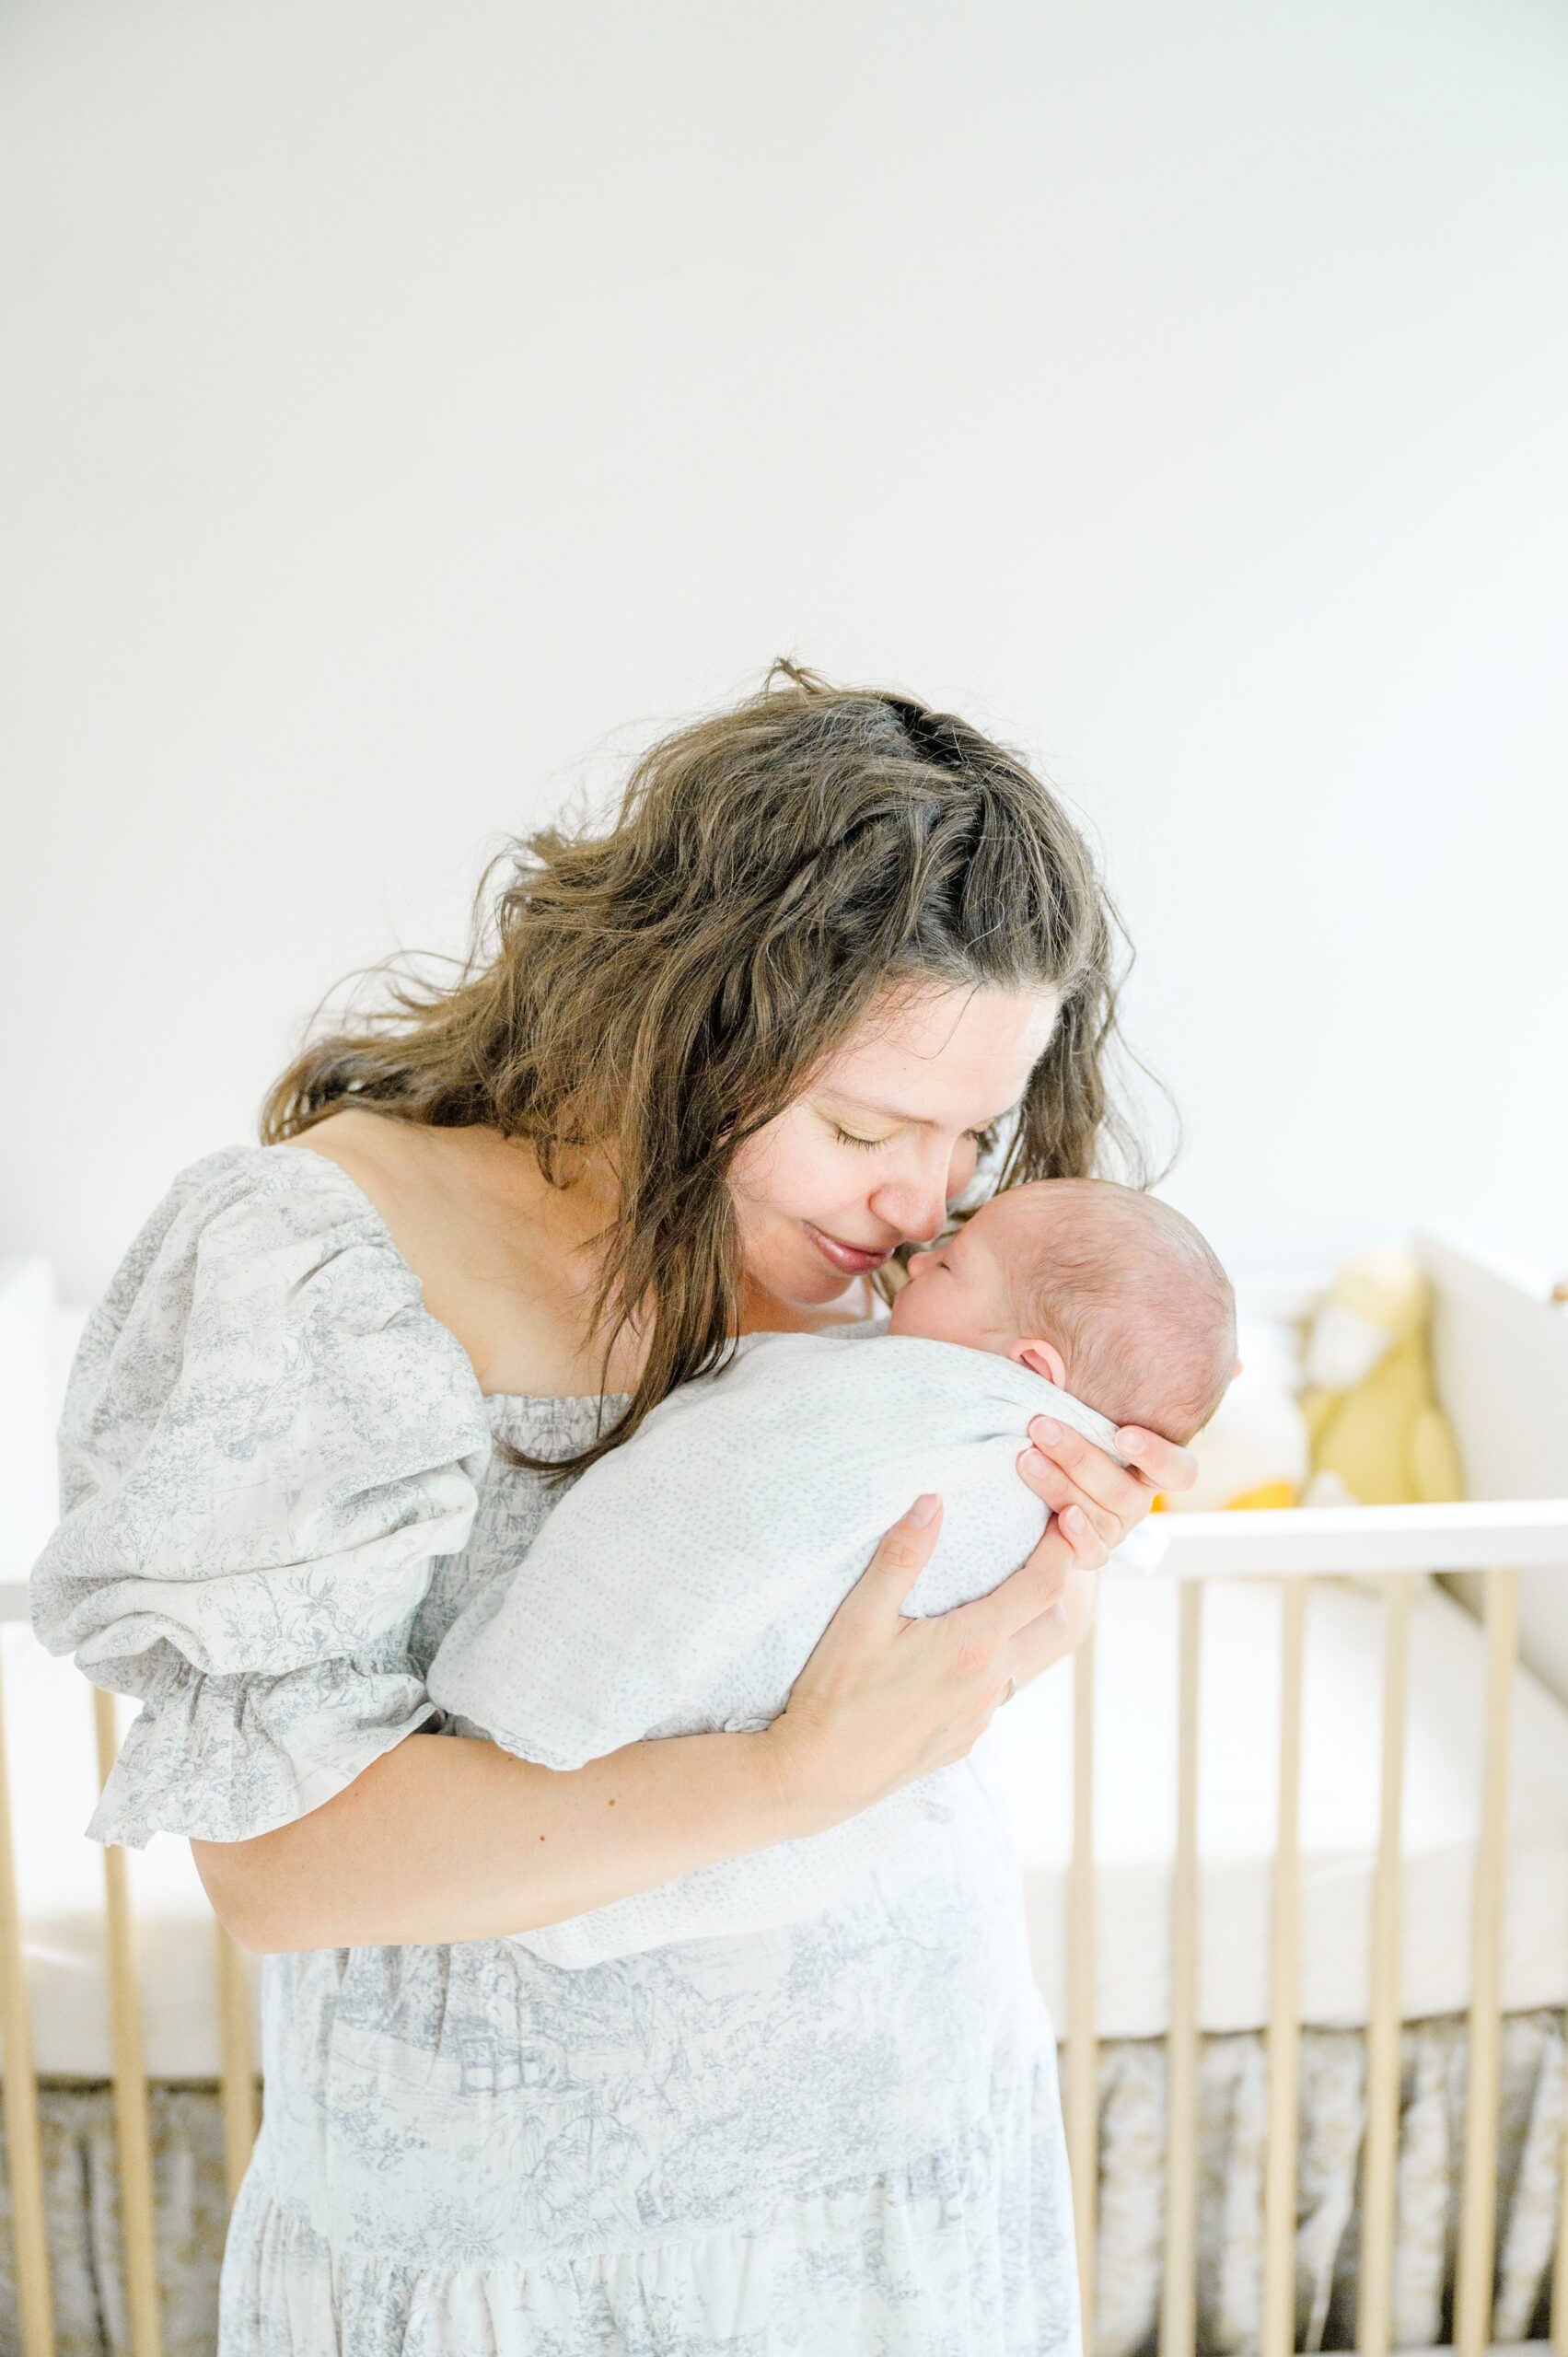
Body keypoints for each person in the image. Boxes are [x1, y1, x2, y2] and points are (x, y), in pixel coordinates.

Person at [30, 663, 1197, 2354]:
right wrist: (784, 1778)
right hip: (511, 2251)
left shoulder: (924, 1270)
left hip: (916, 2153)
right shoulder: (332, 1259)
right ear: (675, 1020)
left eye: (972, 1134)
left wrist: (1051, 1573)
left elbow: (894, 1651)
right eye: (864, 1121)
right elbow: (282, 1871)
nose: (920, 1196)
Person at [425, 1175, 1235, 1968]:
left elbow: (999, 1615)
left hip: (899, 1935)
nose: (917, 1246)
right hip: (555, 1841)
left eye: (948, 1265)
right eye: (862, 1129)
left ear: (1028, 1369)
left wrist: (1078, 1533)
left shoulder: (991, 1446)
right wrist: (787, 1770)